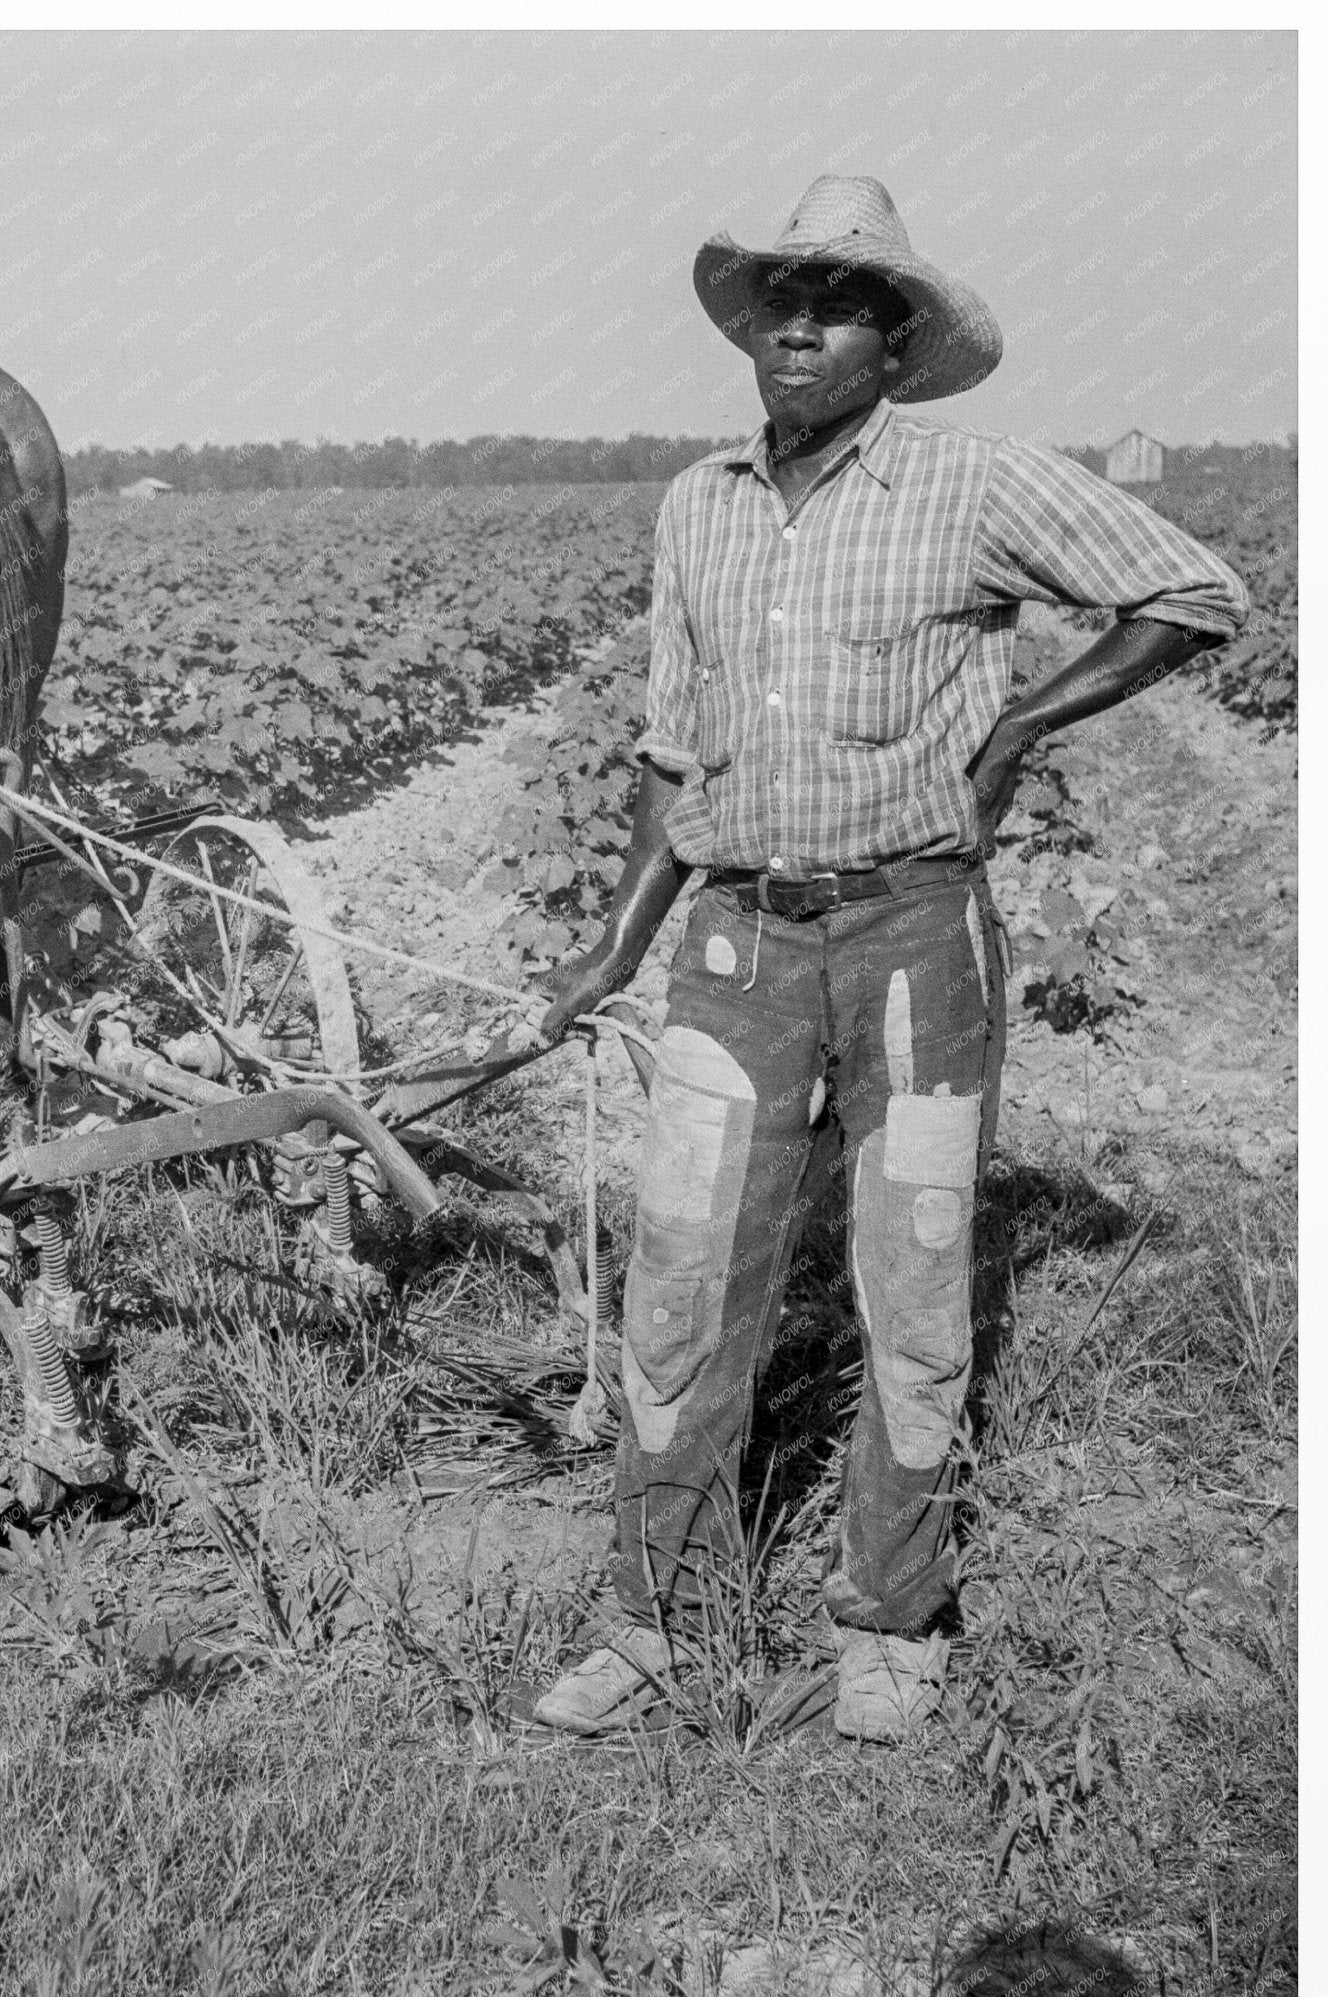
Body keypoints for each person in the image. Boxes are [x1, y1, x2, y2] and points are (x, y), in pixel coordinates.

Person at [532, 175, 1249, 1742]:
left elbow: (1198, 592)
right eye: (780, 301)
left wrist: (1024, 720)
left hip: (917, 932)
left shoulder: (970, 483)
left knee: (913, 1288)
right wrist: (616, 946)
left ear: (898, 340)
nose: (800, 328)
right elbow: (671, 748)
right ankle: (654, 1617)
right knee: (680, 1284)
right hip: (736, 942)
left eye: (840, 304)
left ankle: (891, 1615)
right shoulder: (699, 503)